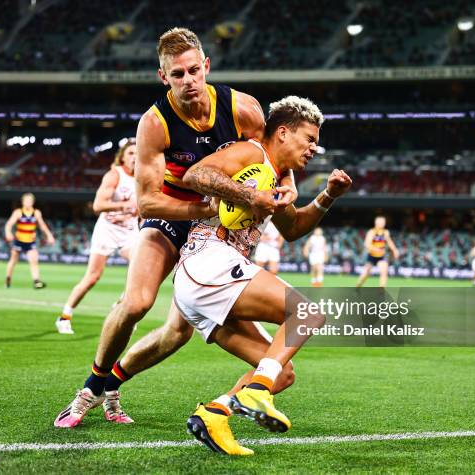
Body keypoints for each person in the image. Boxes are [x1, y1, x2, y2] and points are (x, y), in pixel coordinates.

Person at [54, 27, 297, 428]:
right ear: (163, 77)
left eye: (192, 71)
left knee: (176, 333)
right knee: (136, 302)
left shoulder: (243, 109)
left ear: (206, 66)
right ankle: (91, 388)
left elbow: (275, 161)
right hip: (170, 214)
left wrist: (285, 188)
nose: (188, 81)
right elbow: (147, 201)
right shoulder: (155, 123)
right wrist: (209, 208)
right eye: (177, 74)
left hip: (215, 232)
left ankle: (112, 386)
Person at [175, 96, 352, 455]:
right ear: (283, 132)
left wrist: (328, 196)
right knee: (306, 312)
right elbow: (195, 175)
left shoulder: (277, 177)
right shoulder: (253, 153)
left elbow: (293, 228)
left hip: (210, 280)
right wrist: (249, 195)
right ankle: (255, 394)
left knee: (280, 373)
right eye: (310, 139)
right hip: (208, 260)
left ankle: (215, 413)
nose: (314, 149)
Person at [55, 139, 139, 335]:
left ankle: (121, 307)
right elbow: (98, 205)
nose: (135, 157)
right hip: (108, 229)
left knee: (141, 269)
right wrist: (125, 206)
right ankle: (64, 317)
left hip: (129, 230)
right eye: (130, 154)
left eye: (138, 153)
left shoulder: (145, 176)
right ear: (123, 158)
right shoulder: (114, 175)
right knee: (92, 277)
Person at [4, 193, 55, 290]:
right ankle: (8, 278)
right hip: (19, 240)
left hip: (30, 241)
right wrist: (8, 233)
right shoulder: (18, 212)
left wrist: (49, 236)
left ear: (33, 202)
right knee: (13, 261)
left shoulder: (36, 213)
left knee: (34, 261)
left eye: (30, 201)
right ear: (23, 202)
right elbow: (9, 224)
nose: (28, 203)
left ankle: (36, 281)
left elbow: (42, 226)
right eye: (26, 201)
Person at [355, 216, 399, 288]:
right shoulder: (372, 232)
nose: (383, 223)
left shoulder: (385, 232)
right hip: (371, 256)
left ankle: (381, 291)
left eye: (384, 222)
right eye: (381, 222)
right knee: (366, 274)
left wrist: (395, 250)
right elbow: (366, 244)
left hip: (381, 256)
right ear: (376, 223)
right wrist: (376, 249)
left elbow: (389, 242)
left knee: (384, 271)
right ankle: (357, 286)